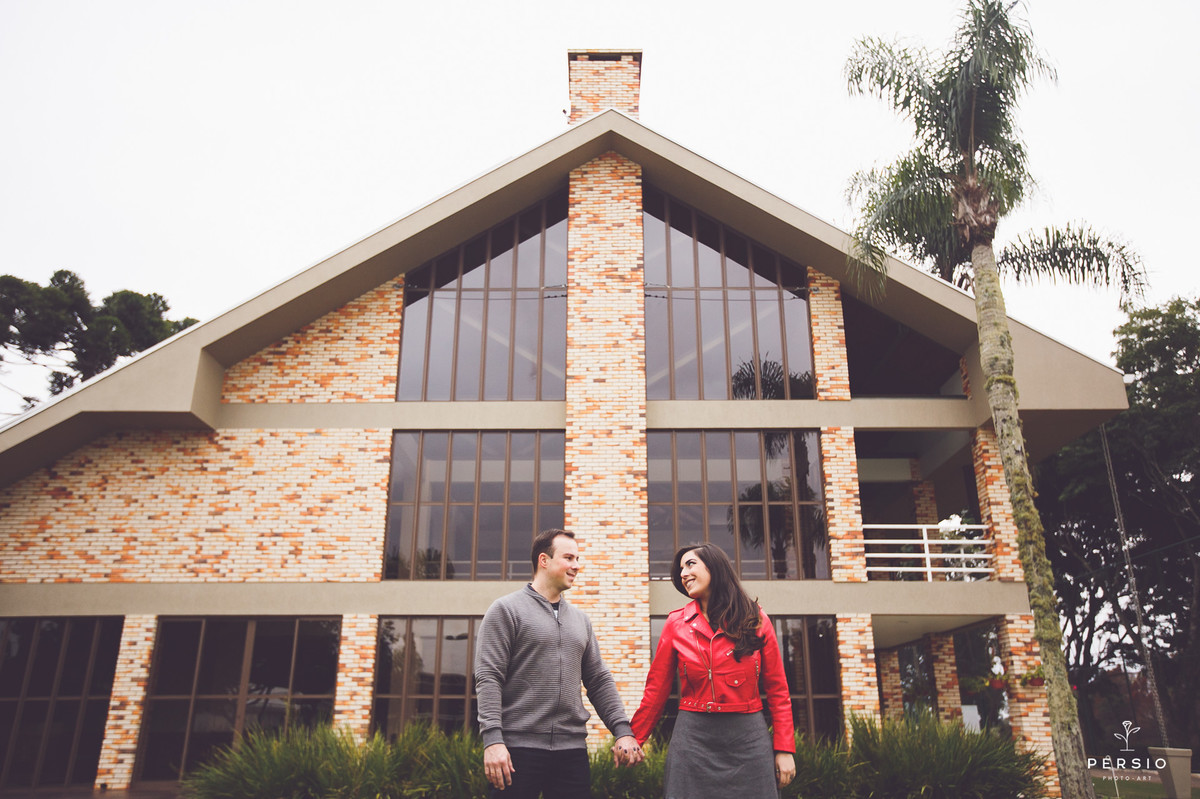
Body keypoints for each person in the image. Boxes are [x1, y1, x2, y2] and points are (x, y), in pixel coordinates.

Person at [474, 528, 644, 797]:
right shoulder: (506, 610)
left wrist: (623, 731)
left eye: (577, 559)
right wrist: (493, 740)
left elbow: (599, 680)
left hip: (571, 753)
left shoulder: (580, 621)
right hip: (517, 750)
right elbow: (489, 677)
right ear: (544, 560)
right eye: (569, 558)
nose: (576, 566)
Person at [630, 542, 797, 797]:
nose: (683, 573)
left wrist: (784, 748)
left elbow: (778, 689)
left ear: (715, 567)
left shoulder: (756, 618)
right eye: (680, 569)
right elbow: (656, 691)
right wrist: (634, 739)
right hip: (693, 741)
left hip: (748, 739)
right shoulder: (676, 623)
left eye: (690, 564)